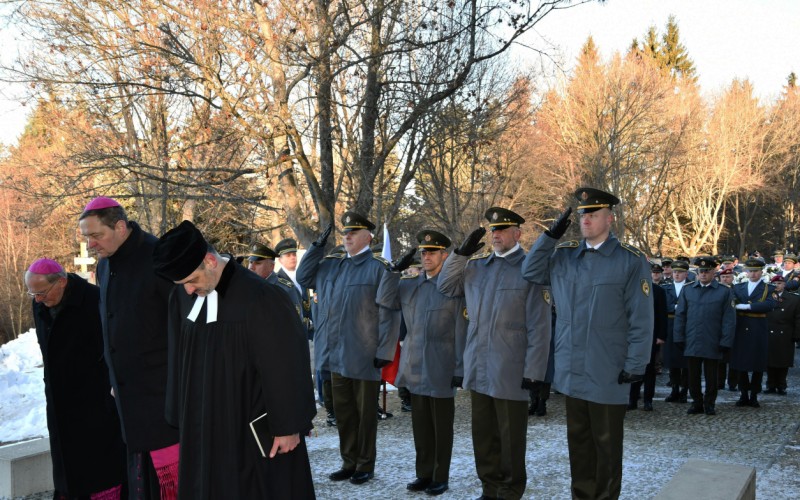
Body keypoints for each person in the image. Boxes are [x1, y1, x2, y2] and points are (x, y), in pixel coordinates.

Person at [152, 220, 316, 499]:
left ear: (210, 261)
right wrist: (179, 413)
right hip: (201, 427)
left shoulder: (261, 296)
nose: (188, 290)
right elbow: (177, 359)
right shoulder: (182, 297)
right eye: (182, 284)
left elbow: (286, 365)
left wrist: (289, 426)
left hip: (247, 428)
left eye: (191, 280)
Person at [522, 187, 652, 500]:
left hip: (607, 367)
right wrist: (549, 238)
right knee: (578, 442)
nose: (586, 220)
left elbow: (641, 318)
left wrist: (636, 364)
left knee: (606, 445)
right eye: (582, 215)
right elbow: (530, 271)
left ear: (610, 218)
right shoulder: (565, 256)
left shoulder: (629, 261)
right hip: (571, 366)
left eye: (593, 214)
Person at [439, 207, 552, 500]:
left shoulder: (530, 269)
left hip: (511, 368)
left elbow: (540, 327)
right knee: (484, 436)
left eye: (502, 230)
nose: (496, 234)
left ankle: (511, 490)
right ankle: (489, 488)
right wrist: (460, 254)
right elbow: (445, 286)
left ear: (518, 233)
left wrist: (535, 371)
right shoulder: (476, 267)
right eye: (493, 230)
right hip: (478, 365)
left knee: (511, 438)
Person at [78, 197, 179, 499]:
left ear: (120, 227)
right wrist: (112, 377)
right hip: (129, 401)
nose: (91, 244)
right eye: (86, 237)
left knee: (173, 485)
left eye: (96, 235)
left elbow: (183, 329)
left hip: (164, 401)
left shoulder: (158, 257)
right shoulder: (106, 265)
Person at [296, 211, 400, 485]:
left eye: (353, 232)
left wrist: (385, 351)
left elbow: (389, 314)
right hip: (334, 353)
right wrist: (318, 246)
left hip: (364, 353)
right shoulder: (331, 264)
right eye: (345, 233)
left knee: (364, 414)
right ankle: (349, 461)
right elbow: (304, 276)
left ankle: (365, 464)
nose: (347, 237)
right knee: (343, 412)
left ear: (368, 236)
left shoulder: (378, 267)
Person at [26, 258, 127, 500]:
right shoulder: (40, 305)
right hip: (60, 407)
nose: (37, 299)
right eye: (32, 293)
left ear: (61, 282)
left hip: (95, 406)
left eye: (41, 292)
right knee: (67, 474)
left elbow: (115, 350)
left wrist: (108, 397)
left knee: (99, 473)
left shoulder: (95, 301)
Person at [378, 230, 466, 496]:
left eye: (432, 252)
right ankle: (424, 473)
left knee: (441, 428)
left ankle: (441, 476)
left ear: (444, 255)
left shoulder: (453, 289)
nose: (426, 256)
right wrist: (394, 272)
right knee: (421, 428)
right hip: (415, 365)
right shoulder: (409, 285)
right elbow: (383, 298)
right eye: (423, 252)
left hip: (442, 365)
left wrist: (460, 368)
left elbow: (462, 329)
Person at [672, 256, 736, 415]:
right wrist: (678, 337)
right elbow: (680, 315)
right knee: (692, 375)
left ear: (714, 272)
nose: (703, 274)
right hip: (692, 338)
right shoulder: (688, 289)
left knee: (711, 376)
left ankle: (710, 403)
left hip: (713, 339)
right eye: (701, 271)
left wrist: (726, 340)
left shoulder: (724, 291)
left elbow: (729, 319)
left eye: (707, 271)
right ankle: (696, 402)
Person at [730, 257, 777, 408]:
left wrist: (748, 307)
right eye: (750, 271)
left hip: (758, 327)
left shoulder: (768, 288)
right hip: (741, 327)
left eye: (756, 271)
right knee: (740, 363)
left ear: (761, 272)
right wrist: (740, 306)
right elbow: (732, 301)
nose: (753, 274)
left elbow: (770, 304)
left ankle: (754, 394)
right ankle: (743, 393)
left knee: (757, 363)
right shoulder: (738, 287)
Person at [629, 263, 668, 412]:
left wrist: (661, 336)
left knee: (649, 369)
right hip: (634, 335)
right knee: (633, 367)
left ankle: (648, 400)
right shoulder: (632, 289)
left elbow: (662, 315)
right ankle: (632, 399)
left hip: (652, 335)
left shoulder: (658, 291)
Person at [661, 259, 691, 402]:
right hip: (671, 323)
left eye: (680, 272)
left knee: (686, 360)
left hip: (686, 325)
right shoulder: (666, 287)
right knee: (672, 359)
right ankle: (674, 388)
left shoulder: (691, 287)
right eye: (675, 272)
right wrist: (676, 308)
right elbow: (663, 306)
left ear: (686, 274)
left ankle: (685, 390)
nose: (677, 275)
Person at [765, 275, 800, 394]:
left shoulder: (793, 299)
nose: (777, 286)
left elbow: (798, 319)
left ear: (784, 284)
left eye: (779, 283)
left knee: (783, 361)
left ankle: (781, 385)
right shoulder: (766, 297)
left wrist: (797, 335)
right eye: (774, 284)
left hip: (785, 333)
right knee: (769, 361)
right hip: (769, 332)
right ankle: (770, 385)